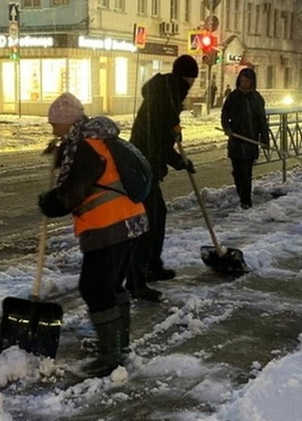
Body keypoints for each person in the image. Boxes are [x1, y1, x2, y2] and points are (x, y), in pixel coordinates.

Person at [38, 93, 148, 377]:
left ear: (67, 122)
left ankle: (110, 355)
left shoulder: (84, 146)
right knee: (112, 286)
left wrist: (50, 202)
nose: (53, 130)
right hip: (130, 221)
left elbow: (73, 193)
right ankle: (117, 345)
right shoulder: (96, 139)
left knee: (95, 288)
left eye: (55, 125)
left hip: (109, 226)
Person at [128, 54, 198, 302]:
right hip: (143, 164)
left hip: (143, 162)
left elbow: (161, 134)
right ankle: (137, 278)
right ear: (187, 77)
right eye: (192, 78)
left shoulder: (167, 90)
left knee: (156, 215)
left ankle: (151, 266)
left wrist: (176, 149)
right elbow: (158, 137)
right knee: (147, 221)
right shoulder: (169, 94)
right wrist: (179, 158)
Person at [220, 67, 269, 210]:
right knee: (237, 171)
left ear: (252, 82)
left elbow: (261, 120)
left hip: (250, 141)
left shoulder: (257, 98)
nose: (244, 82)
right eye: (242, 80)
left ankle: (246, 200)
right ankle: (242, 194)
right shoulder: (233, 97)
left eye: (247, 80)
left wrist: (264, 138)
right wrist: (227, 128)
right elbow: (224, 115)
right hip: (236, 140)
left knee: (247, 171)